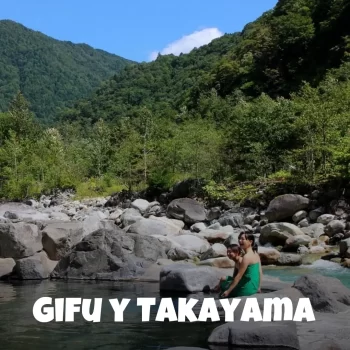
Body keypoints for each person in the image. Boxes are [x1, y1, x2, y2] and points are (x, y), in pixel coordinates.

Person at [220, 231, 263, 298]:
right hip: (254, 288)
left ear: (250, 242)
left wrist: (228, 291)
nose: (240, 241)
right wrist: (259, 287)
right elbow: (260, 272)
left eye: (243, 239)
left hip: (246, 289)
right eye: (239, 239)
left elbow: (239, 276)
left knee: (223, 284)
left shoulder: (246, 257)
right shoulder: (256, 254)